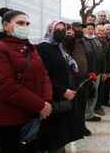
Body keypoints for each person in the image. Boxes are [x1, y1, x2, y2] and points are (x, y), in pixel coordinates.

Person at [0, 8, 52, 153]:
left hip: (33, 115)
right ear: (6, 25)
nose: (25, 26)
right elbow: (5, 87)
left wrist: (46, 101)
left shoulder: (30, 48)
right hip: (10, 120)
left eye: (27, 24)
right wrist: (40, 105)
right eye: (20, 23)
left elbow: (44, 75)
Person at [37, 21, 83, 153]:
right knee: (53, 136)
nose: (61, 32)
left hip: (63, 96)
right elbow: (43, 77)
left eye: (63, 30)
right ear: (50, 30)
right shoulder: (43, 48)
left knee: (60, 135)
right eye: (57, 29)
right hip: (52, 97)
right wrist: (62, 91)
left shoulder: (59, 47)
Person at [67, 22, 92, 136]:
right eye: (77, 29)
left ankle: (82, 126)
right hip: (74, 80)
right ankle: (75, 128)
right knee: (75, 106)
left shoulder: (83, 42)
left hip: (84, 78)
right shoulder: (69, 42)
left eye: (81, 29)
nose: (80, 31)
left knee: (82, 104)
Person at [82, 23, 105, 122]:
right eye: (88, 28)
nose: (90, 30)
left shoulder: (96, 40)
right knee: (87, 94)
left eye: (92, 28)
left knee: (94, 93)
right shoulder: (82, 41)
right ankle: (84, 114)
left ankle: (90, 113)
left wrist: (103, 71)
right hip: (87, 73)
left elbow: (102, 56)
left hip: (97, 72)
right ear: (85, 30)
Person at [94, 24, 110, 115]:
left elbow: (109, 58)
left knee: (101, 89)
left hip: (103, 70)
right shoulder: (92, 41)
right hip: (94, 71)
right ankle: (92, 107)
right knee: (94, 90)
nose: (101, 32)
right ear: (95, 31)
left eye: (102, 31)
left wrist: (107, 71)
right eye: (99, 30)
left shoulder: (106, 42)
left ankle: (98, 106)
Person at [101, 24, 110, 108]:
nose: (109, 31)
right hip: (102, 69)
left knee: (107, 87)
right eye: (107, 29)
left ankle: (106, 101)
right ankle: (100, 103)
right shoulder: (100, 40)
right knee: (101, 87)